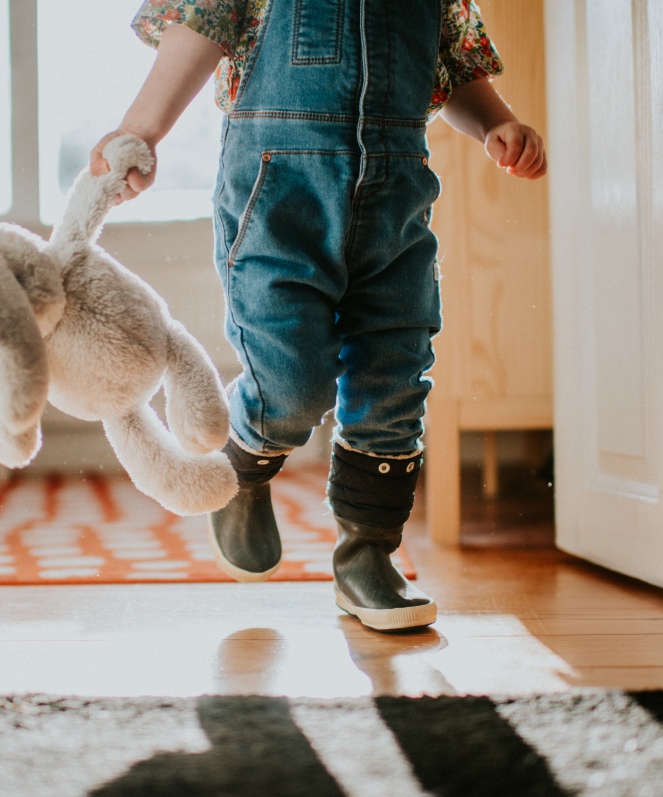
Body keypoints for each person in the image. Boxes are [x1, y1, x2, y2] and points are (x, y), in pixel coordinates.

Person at [90, 1, 546, 632]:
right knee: (293, 383)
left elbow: (454, 61)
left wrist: (498, 122)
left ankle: (368, 558)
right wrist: (140, 129)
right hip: (279, 197)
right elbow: (199, 27)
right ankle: (246, 455)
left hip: (395, 203)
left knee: (395, 379)